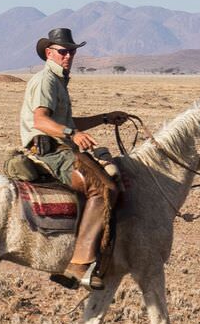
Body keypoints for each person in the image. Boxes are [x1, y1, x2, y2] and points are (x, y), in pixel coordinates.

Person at [20, 28, 129, 290]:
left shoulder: (59, 81)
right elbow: (41, 120)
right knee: (104, 188)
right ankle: (78, 263)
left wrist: (104, 118)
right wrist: (72, 134)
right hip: (50, 151)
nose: (68, 56)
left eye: (72, 51)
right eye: (63, 51)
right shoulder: (46, 80)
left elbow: (67, 122)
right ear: (49, 53)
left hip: (61, 147)